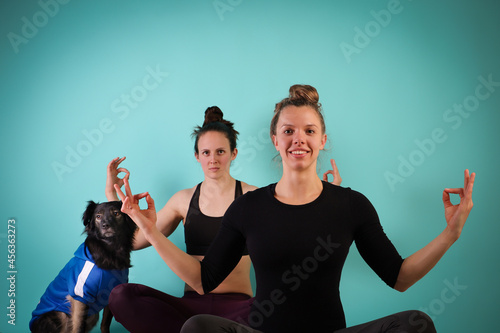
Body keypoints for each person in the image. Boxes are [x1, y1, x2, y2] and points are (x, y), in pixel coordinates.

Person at [115, 85, 475, 332]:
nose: (298, 138)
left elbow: (400, 277)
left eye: (309, 130)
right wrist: (148, 229)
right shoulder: (248, 208)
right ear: (276, 140)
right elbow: (202, 280)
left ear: (322, 140)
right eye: (288, 131)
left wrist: (451, 234)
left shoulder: (351, 205)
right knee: (196, 327)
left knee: (415, 324)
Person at [105, 105, 343, 332]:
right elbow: (132, 243)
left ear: (234, 153)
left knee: (288, 301)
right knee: (121, 296)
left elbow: (297, 239)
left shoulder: (254, 197)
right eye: (206, 152)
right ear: (197, 156)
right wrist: (115, 200)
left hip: (240, 310)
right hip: (189, 309)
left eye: (220, 151)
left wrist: (324, 199)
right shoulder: (183, 200)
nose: (213, 159)